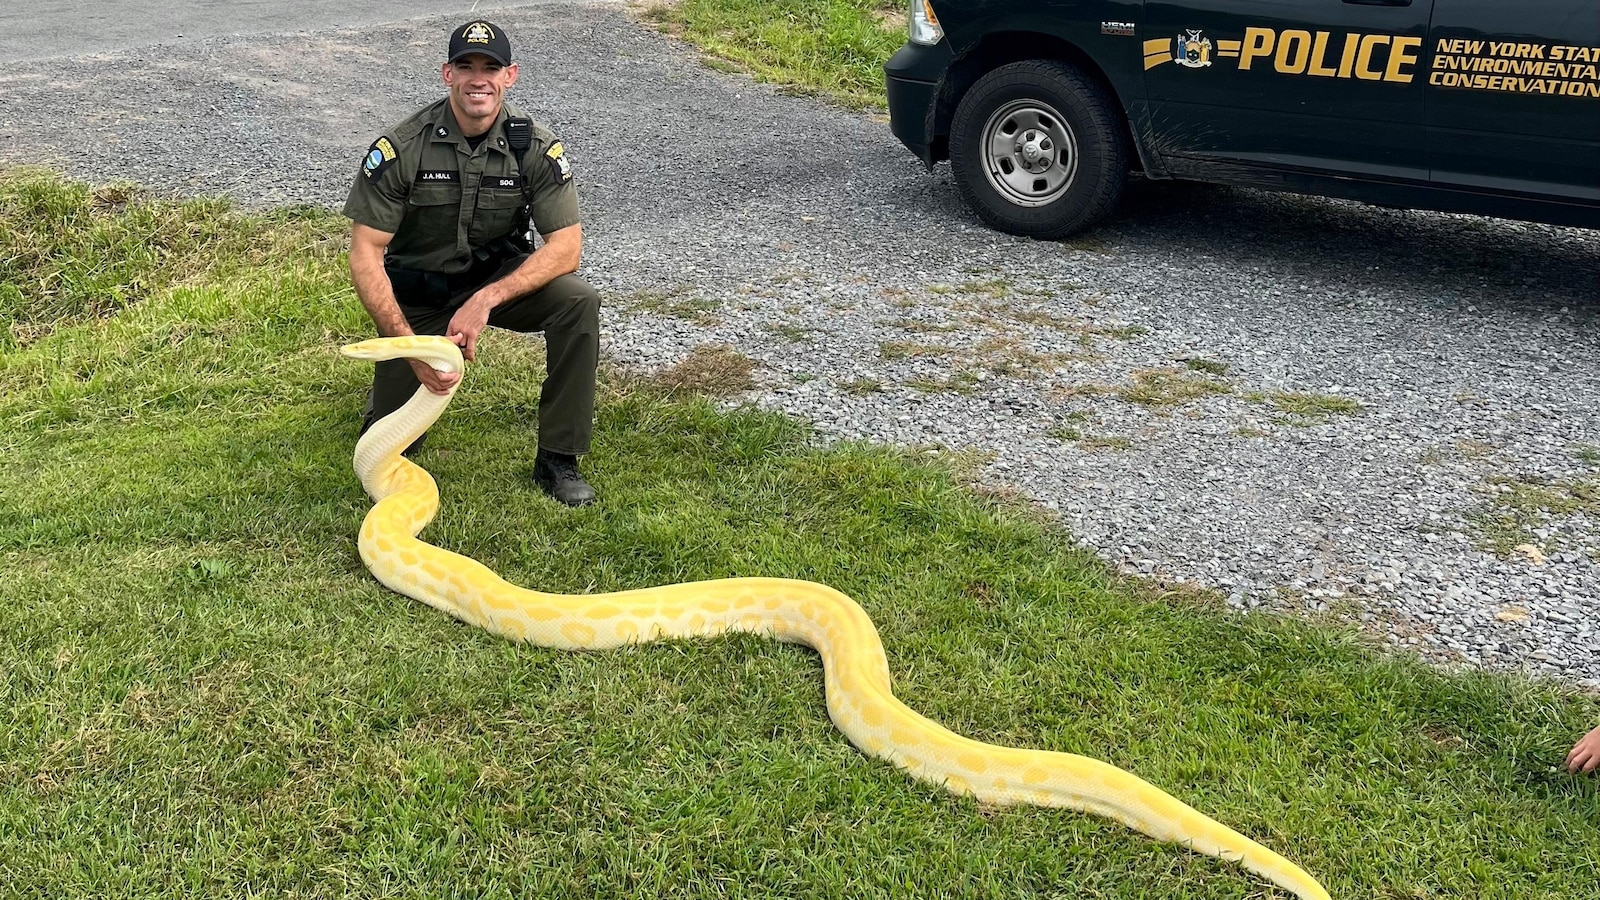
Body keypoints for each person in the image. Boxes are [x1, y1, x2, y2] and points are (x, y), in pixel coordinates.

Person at [342, 20, 599, 506]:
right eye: (466, 66)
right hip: (419, 295)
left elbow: (566, 247)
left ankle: (558, 459)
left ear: (510, 76)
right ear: (447, 74)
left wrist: (486, 299)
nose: (477, 78)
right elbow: (366, 252)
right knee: (388, 447)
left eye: (491, 67)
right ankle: (387, 397)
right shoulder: (402, 148)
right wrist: (406, 345)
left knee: (578, 302)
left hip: (494, 284)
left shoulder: (535, 147)